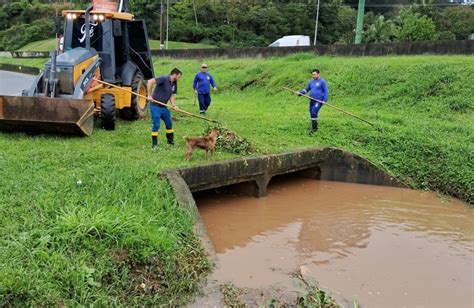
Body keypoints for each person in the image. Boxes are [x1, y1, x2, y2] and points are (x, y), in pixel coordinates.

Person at [147, 68, 182, 150]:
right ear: (174, 74)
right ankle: (154, 145)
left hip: (164, 107)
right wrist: (149, 95)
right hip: (155, 106)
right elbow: (150, 81)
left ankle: (170, 142)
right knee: (156, 125)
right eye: (179, 77)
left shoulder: (174, 83)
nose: (179, 79)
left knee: (169, 123)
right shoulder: (163, 79)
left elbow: (172, 95)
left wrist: (173, 105)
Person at [298, 69, 329, 135]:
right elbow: (306, 89)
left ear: (318, 74)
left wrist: (324, 100)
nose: (313, 76)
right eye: (312, 75)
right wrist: (300, 93)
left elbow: (326, 91)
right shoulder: (311, 82)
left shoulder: (322, 82)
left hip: (318, 101)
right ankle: (314, 126)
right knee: (311, 111)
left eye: (314, 75)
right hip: (312, 100)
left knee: (314, 111)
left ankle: (314, 129)